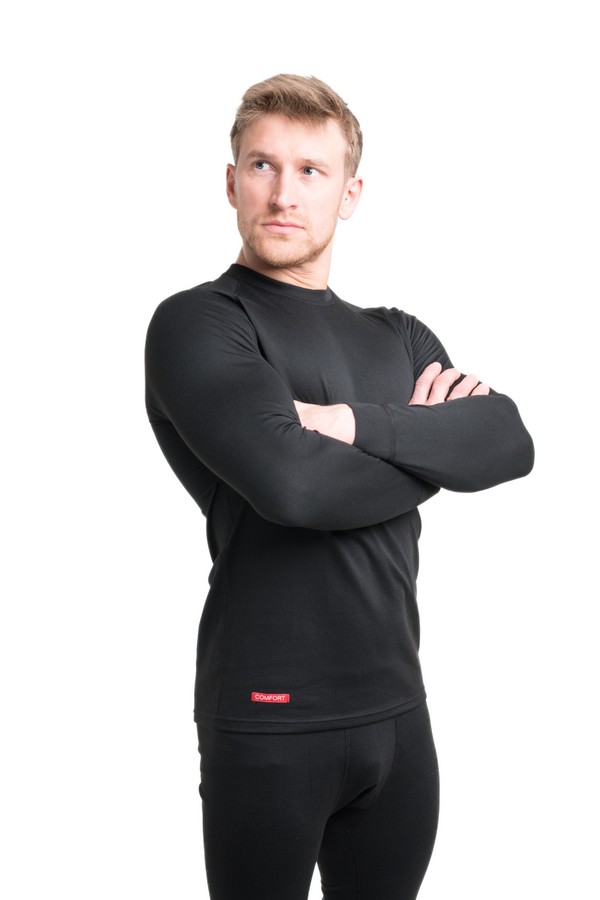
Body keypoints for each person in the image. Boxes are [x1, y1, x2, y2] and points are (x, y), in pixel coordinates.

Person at [144, 73, 534, 900]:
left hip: (400, 712)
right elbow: (295, 488)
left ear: (349, 193)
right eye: (263, 165)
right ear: (231, 182)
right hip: (269, 717)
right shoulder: (199, 323)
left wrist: (348, 424)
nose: (284, 193)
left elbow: (506, 442)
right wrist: (430, 453)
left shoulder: (396, 334)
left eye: (311, 170)